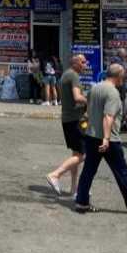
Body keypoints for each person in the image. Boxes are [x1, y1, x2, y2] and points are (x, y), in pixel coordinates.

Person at [73, 64, 127, 215]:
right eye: (124, 76)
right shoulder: (113, 93)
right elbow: (108, 116)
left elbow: (88, 109)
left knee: (88, 171)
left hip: (91, 136)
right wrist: (106, 139)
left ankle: (81, 203)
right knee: (121, 172)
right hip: (109, 140)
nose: (125, 79)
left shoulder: (95, 88)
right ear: (118, 76)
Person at [46, 53, 88, 196]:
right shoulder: (73, 76)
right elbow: (77, 97)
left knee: (76, 154)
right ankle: (55, 175)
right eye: (83, 62)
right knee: (82, 155)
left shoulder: (66, 75)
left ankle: (74, 189)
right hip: (75, 120)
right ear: (75, 63)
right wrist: (90, 100)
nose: (85, 64)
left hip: (68, 119)